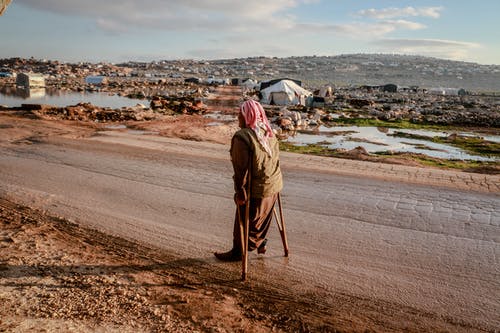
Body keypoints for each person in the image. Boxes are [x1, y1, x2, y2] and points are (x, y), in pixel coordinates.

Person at [214, 99, 283, 261]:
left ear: (247, 116)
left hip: (257, 190)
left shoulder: (242, 137)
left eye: (240, 114)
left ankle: (239, 251)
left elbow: (241, 171)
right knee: (261, 218)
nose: (238, 117)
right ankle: (260, 242)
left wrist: (240, 192)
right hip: (274, 186)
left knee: (244, 218)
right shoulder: (269, 133)